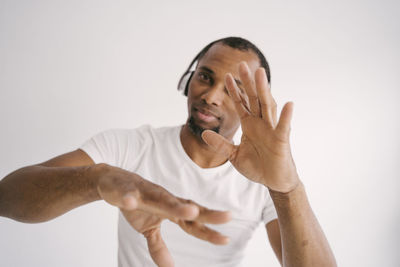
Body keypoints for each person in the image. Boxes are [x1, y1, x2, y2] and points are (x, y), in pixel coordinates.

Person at [0, 37, 336, 267]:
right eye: (205, 77)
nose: (212, 96)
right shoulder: (130, 146)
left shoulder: (265, 184)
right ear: (189, 80)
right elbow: (6, 197)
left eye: (232, 90)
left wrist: (287, 189)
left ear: (256, 106)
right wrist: (97, 180)